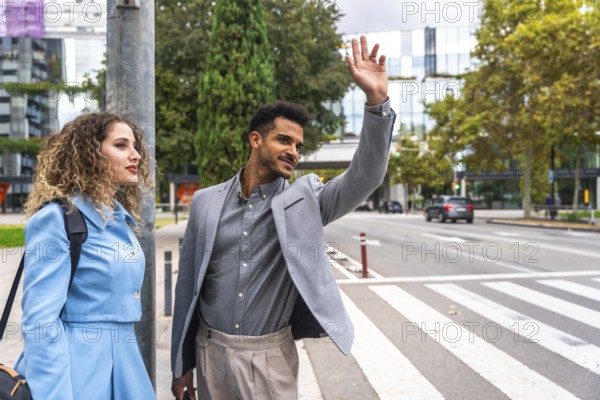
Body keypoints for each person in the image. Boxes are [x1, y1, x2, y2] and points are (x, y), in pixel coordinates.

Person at [171, 35, 396, 400]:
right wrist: (181, 366)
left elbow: (365, 175)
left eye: (298, 146)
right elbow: (188, 290)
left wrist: (376, 103)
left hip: (269, 357)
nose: (293, 152)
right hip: (209, 350)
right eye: (284, 141)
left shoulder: (305, 201)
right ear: (256, 140)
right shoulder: (205, 202)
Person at [14, 112, 156, 400]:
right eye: (121, 145)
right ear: (90, 153)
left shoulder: (119, 220)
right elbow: (40, 322)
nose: (136, 155)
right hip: (77, 371)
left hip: (126, 363)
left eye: (135, 146)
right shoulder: (57, 220)